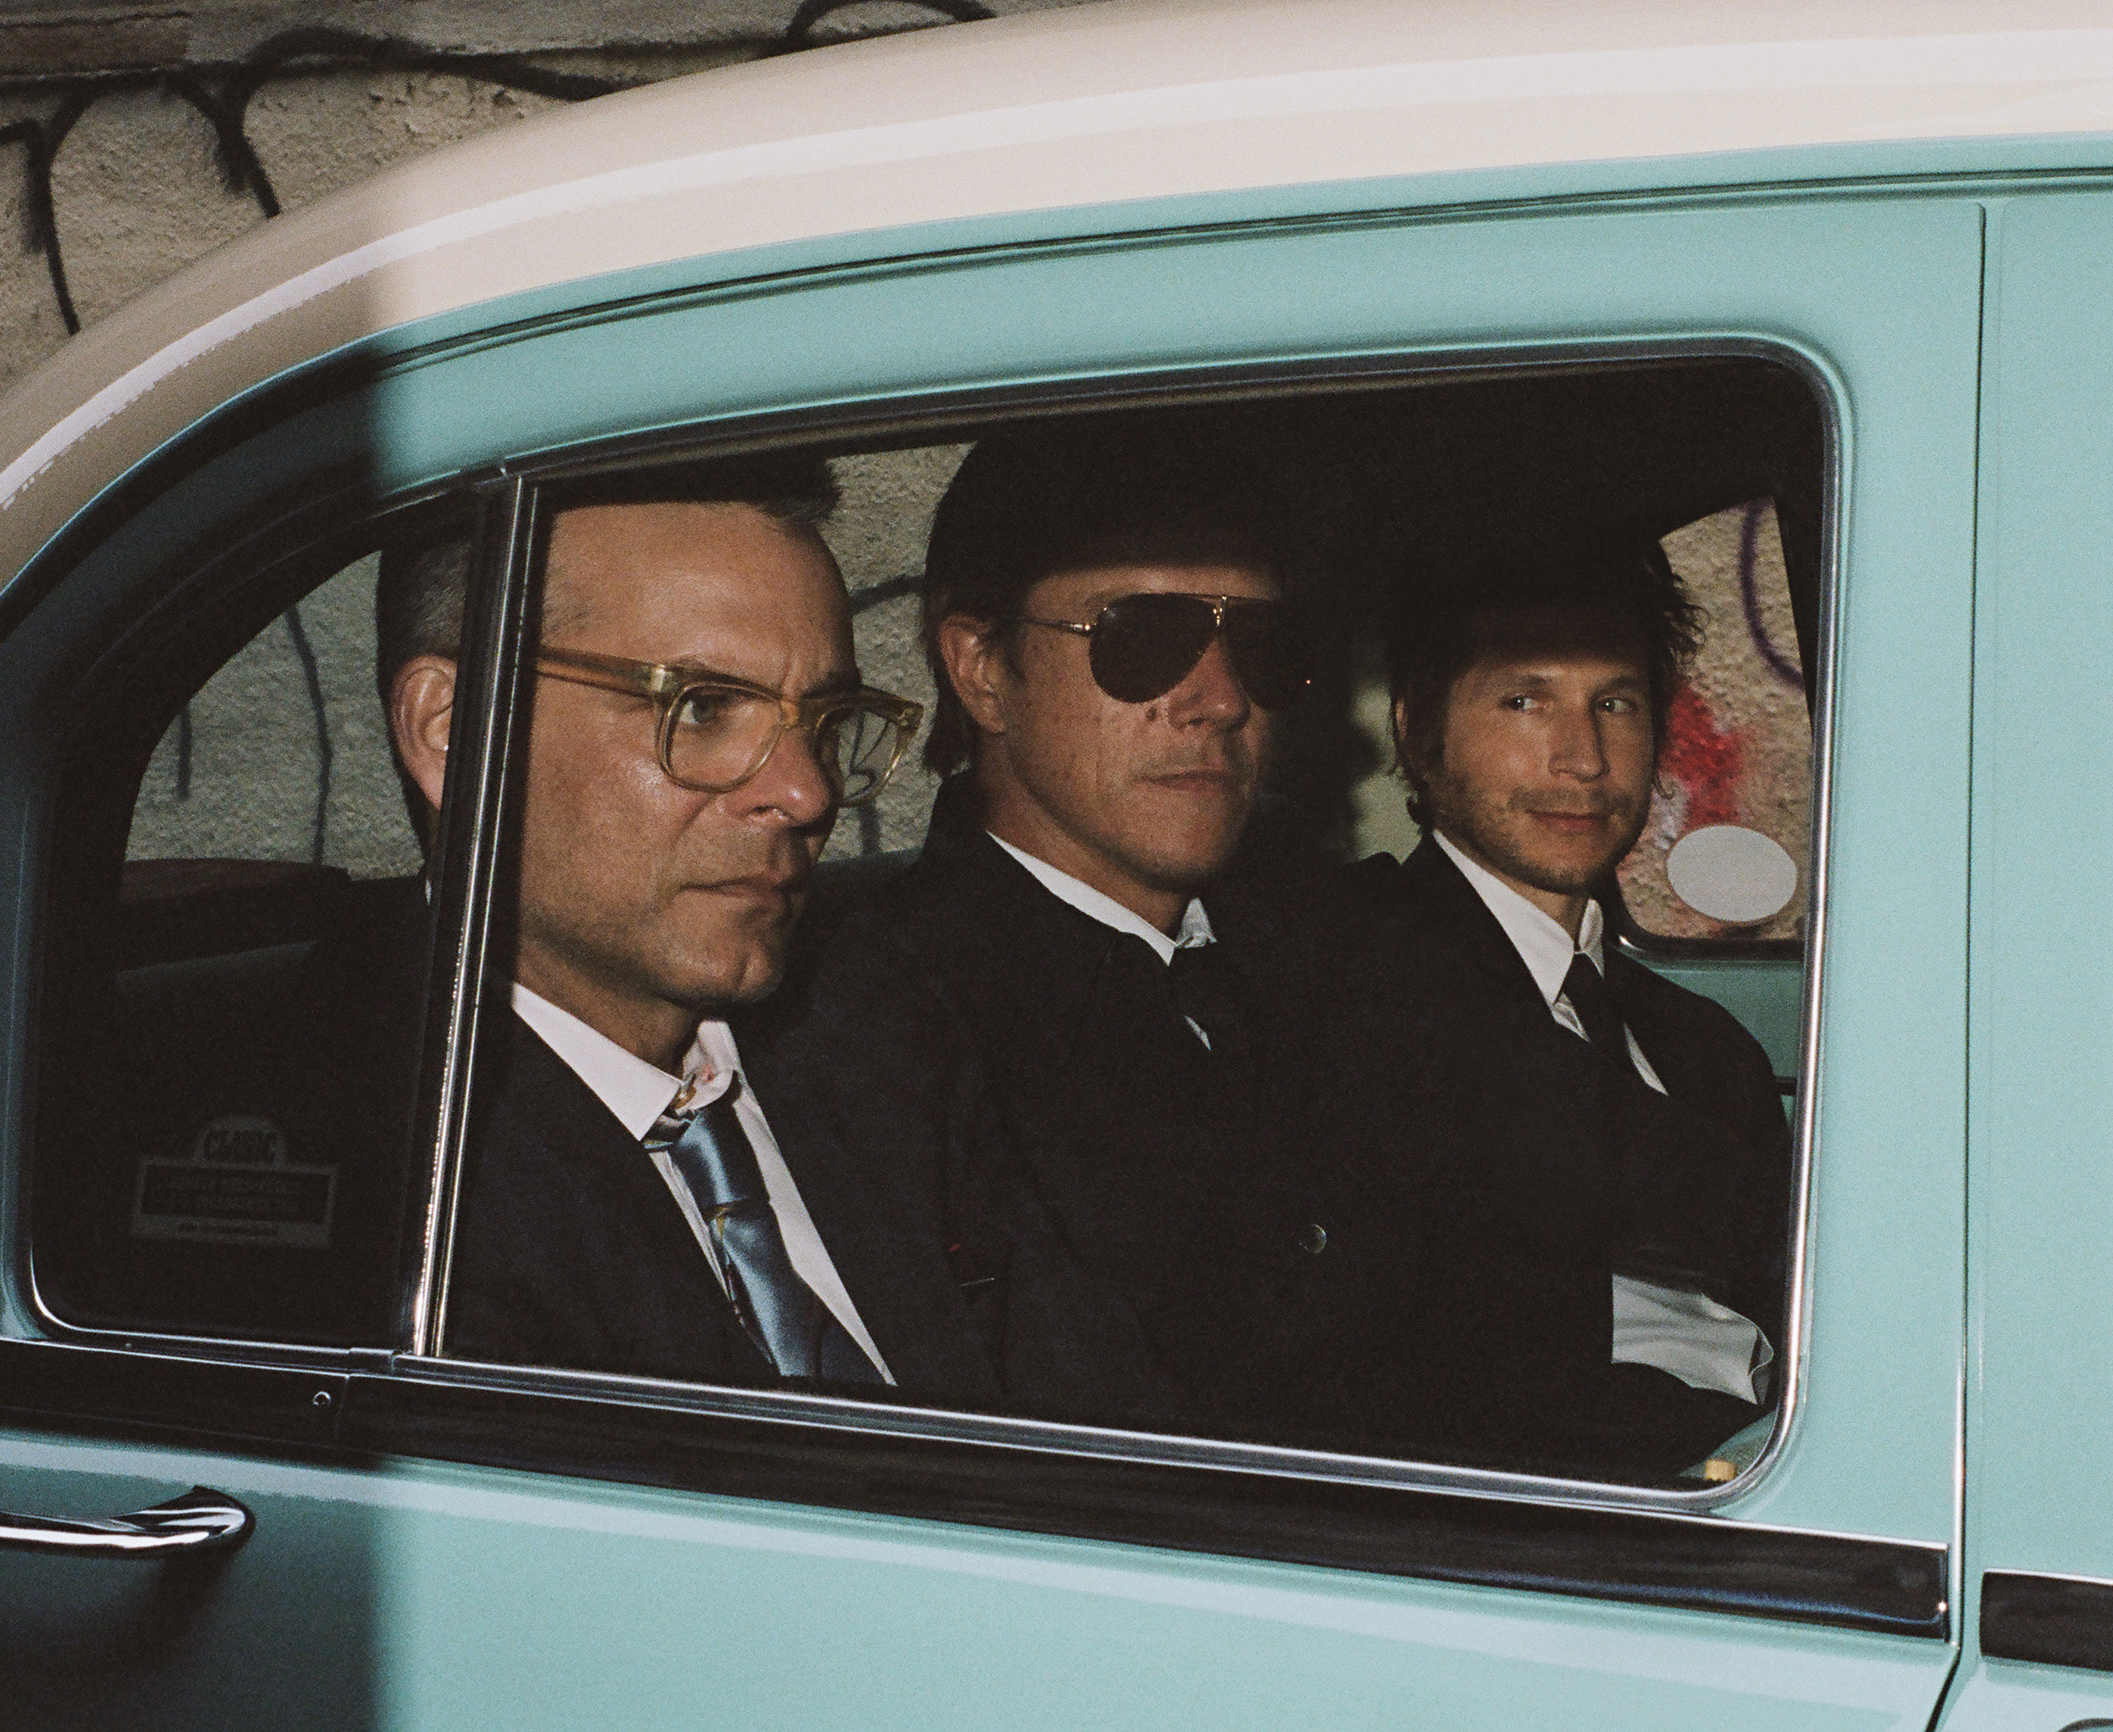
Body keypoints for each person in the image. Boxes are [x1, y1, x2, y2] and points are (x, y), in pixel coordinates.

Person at [748, 428, 1416, 1441]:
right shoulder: (872, 1036)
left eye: (1260, 644)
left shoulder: (1330, 942)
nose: (1222, 699)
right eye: (1142, 638)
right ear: (981, 668)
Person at [377, 457, 992, 1397]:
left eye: (825, 723)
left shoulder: (890, 1037)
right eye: (702, 708)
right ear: (456, 730)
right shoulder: (383, 1183)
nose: (808, 791)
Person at [1354, 540, 1791, 1472]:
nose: (1584, 759)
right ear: (1417, 732)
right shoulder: (1364, 976)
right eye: (1525, 700)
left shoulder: (1706, 1045)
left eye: (1615, 703)